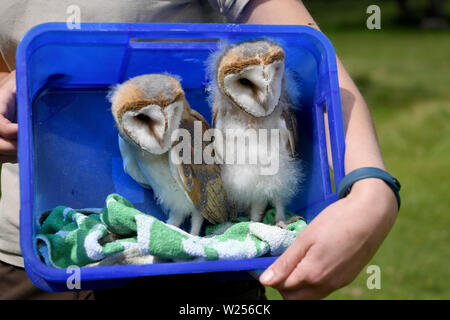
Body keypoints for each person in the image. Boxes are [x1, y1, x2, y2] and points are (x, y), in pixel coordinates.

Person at [0, 0, 399, 300]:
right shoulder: (136, 146)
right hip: (31, 252)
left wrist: (371, 186)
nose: (160, 135)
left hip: (196, 277)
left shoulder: (199, 130)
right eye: (143, 124)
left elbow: (311, 55)